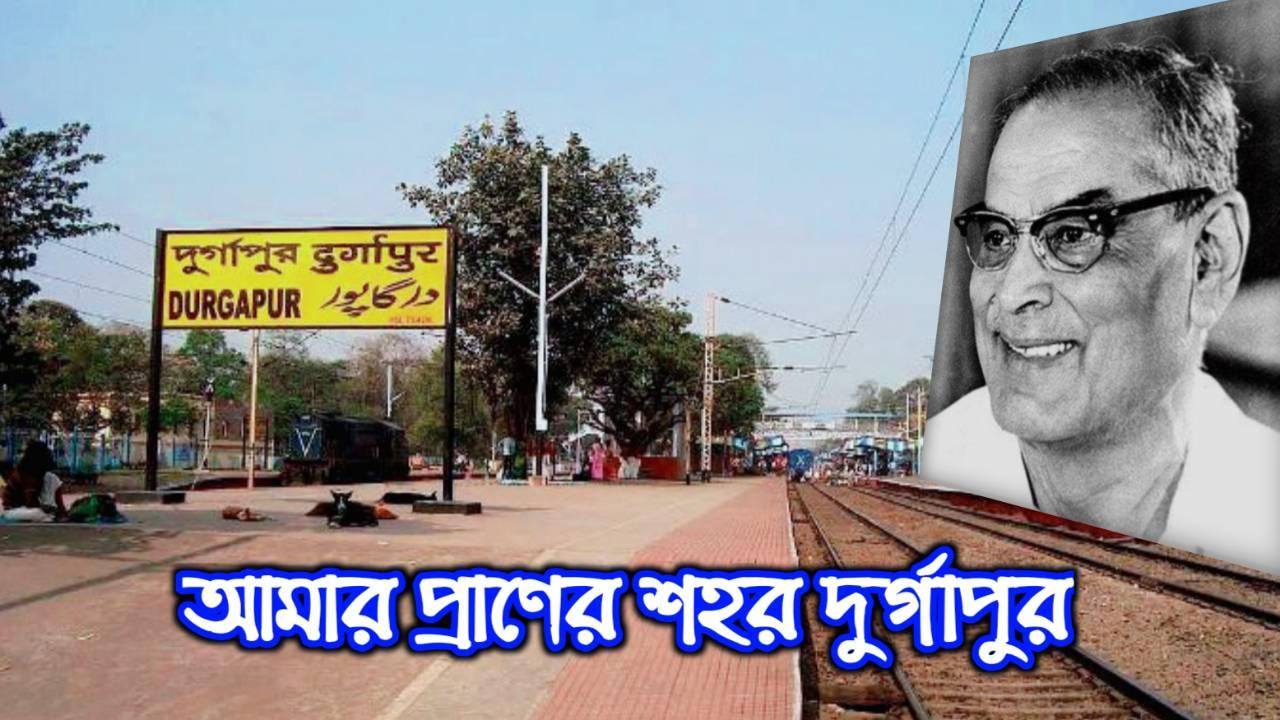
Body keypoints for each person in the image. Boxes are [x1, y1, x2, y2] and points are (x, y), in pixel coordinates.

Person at [922, 45, 1280, 574]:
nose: (1013, 290)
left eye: (1073, 233)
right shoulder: (927, 472)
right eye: (997, 237)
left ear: (1208, 257)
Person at [12, 440, 67, 518]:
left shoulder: (53, 479)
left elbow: (61, 508)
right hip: (22, 517)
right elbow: (29, 504)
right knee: (36, 513)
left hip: (45, 520)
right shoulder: (21, 478)